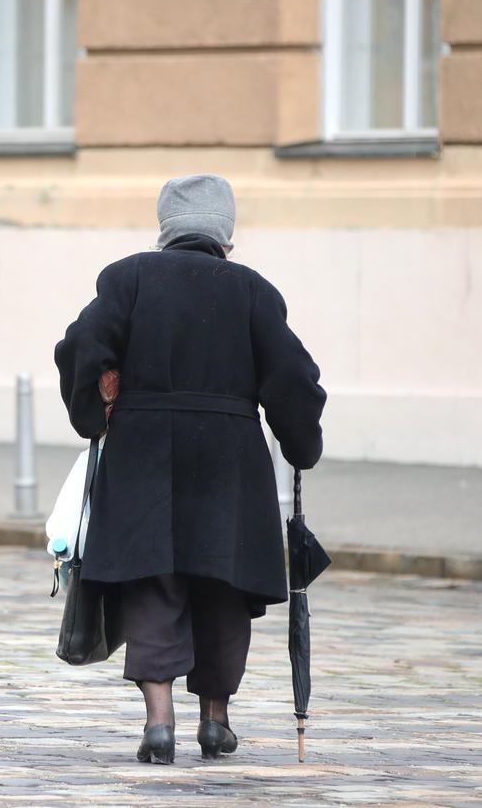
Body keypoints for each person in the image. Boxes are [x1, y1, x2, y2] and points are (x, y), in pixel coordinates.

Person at [54, 174, 326, 764]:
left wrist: (93, 411)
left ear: (166, 225)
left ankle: (159, 723)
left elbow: (79, 346)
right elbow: (294, 378)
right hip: (229, 458)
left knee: (153, 581)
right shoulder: (253, 291)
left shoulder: (126, 279)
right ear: (225, 231)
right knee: (221, 586)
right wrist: (302, 444)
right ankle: (215, 720)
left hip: (142, 452)